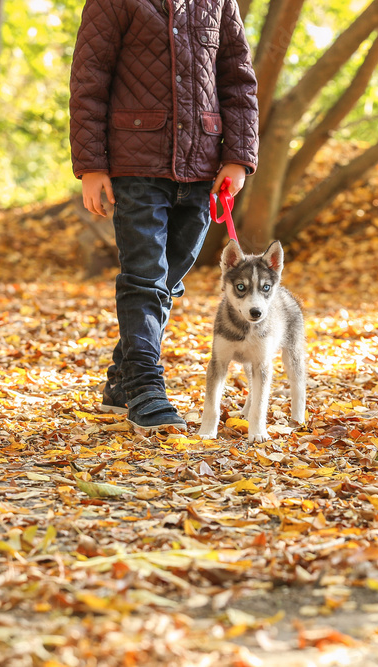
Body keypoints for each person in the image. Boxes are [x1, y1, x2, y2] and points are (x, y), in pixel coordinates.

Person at [69, 0, 259, 430]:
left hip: (203, 164)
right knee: (144, 276)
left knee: (168, 280)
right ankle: (145, 388)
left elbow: (238, 80)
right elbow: (88, 80)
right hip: (134, 164)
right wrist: (92, 165)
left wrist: (238, 158)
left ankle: (120, 381)